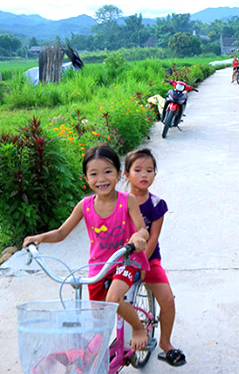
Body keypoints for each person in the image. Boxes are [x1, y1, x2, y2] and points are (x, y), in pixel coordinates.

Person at [23, 145, 151, 351]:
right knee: (99, 319)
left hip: (125, 261)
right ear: (86, 179)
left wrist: (138, 237)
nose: (101, 179)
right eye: (94, 174)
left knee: (114, 299)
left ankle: (138, 328)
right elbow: (62, 233)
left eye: (108, 172)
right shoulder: (85, 205)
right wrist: (40, 238)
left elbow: (143, 229)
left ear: (119, 174)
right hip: (99, 267)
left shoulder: (128, 200)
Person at [124, 148, 187, 367]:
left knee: (168, 300)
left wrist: (142, 263)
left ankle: (166, 343)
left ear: (155, 175)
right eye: (138, 170)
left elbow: (153, 237)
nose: (144, 175)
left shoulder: (156, 205)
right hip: (120, 261)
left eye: (149, 170)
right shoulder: (117, 202)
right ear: (126, 174)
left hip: (149, 260)